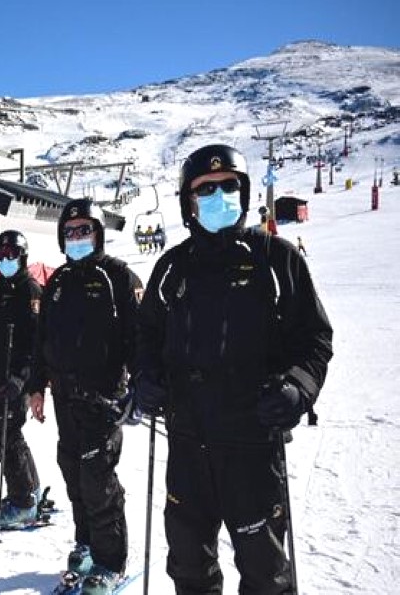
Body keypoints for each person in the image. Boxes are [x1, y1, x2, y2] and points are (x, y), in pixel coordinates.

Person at [136, 144, 333, 593]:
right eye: (205, 189)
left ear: (243, 193)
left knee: (265, 575)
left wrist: (297, 388)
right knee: (188, 568)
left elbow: (316, 339)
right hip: (185, 446)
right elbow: (145, 337)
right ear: (188, 200)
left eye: (228, 186)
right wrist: (145, 378)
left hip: (252, 448)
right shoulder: (171, 267)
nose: (218, 194)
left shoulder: (277, 259)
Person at [26, 198, 141, 592]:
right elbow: (43, 341)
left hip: (103, 398)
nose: (77, 237)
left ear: (98, 233)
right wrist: (36, 386)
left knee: (98, 478)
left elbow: (138, 339)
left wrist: (139, 387)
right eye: (70, 231)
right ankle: (87, 542)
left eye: (84, 230)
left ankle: (111, 560)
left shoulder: (118, 277)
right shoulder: (57, 281)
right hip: (64, 397)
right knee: (72, 472)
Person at [0, 230, 42, 526]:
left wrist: (21, 378)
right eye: (1, 255)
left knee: (7, 440)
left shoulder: (28, 290)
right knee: (10, 437)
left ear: (22, 257)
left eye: (11, 255)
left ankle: (22, 501)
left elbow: (36, 342)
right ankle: (30, 490)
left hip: (15, 381)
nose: (5, 260)